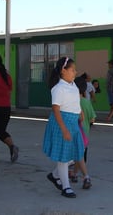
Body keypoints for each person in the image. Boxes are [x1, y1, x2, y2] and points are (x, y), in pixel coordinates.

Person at [43, 57, 87, 198]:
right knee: (63, 157)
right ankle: (66, 187)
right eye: (72, 70)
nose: (75, 72)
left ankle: (55, 175)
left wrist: (80, 111)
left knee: (75, 153)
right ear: (63, 70)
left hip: (73, 122)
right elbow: (56, 109)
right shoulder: (58, 88)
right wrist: (63, 129)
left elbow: (76, 100)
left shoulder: (73, 85)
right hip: (62, 122)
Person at [68, 76, 94, 189]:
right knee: (81, 156)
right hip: (85, 134)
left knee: (77, 156)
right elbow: (92, 119)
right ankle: (75, 174)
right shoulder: (87, 103)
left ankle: (83, 176)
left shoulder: (72, 102)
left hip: (74, 133)